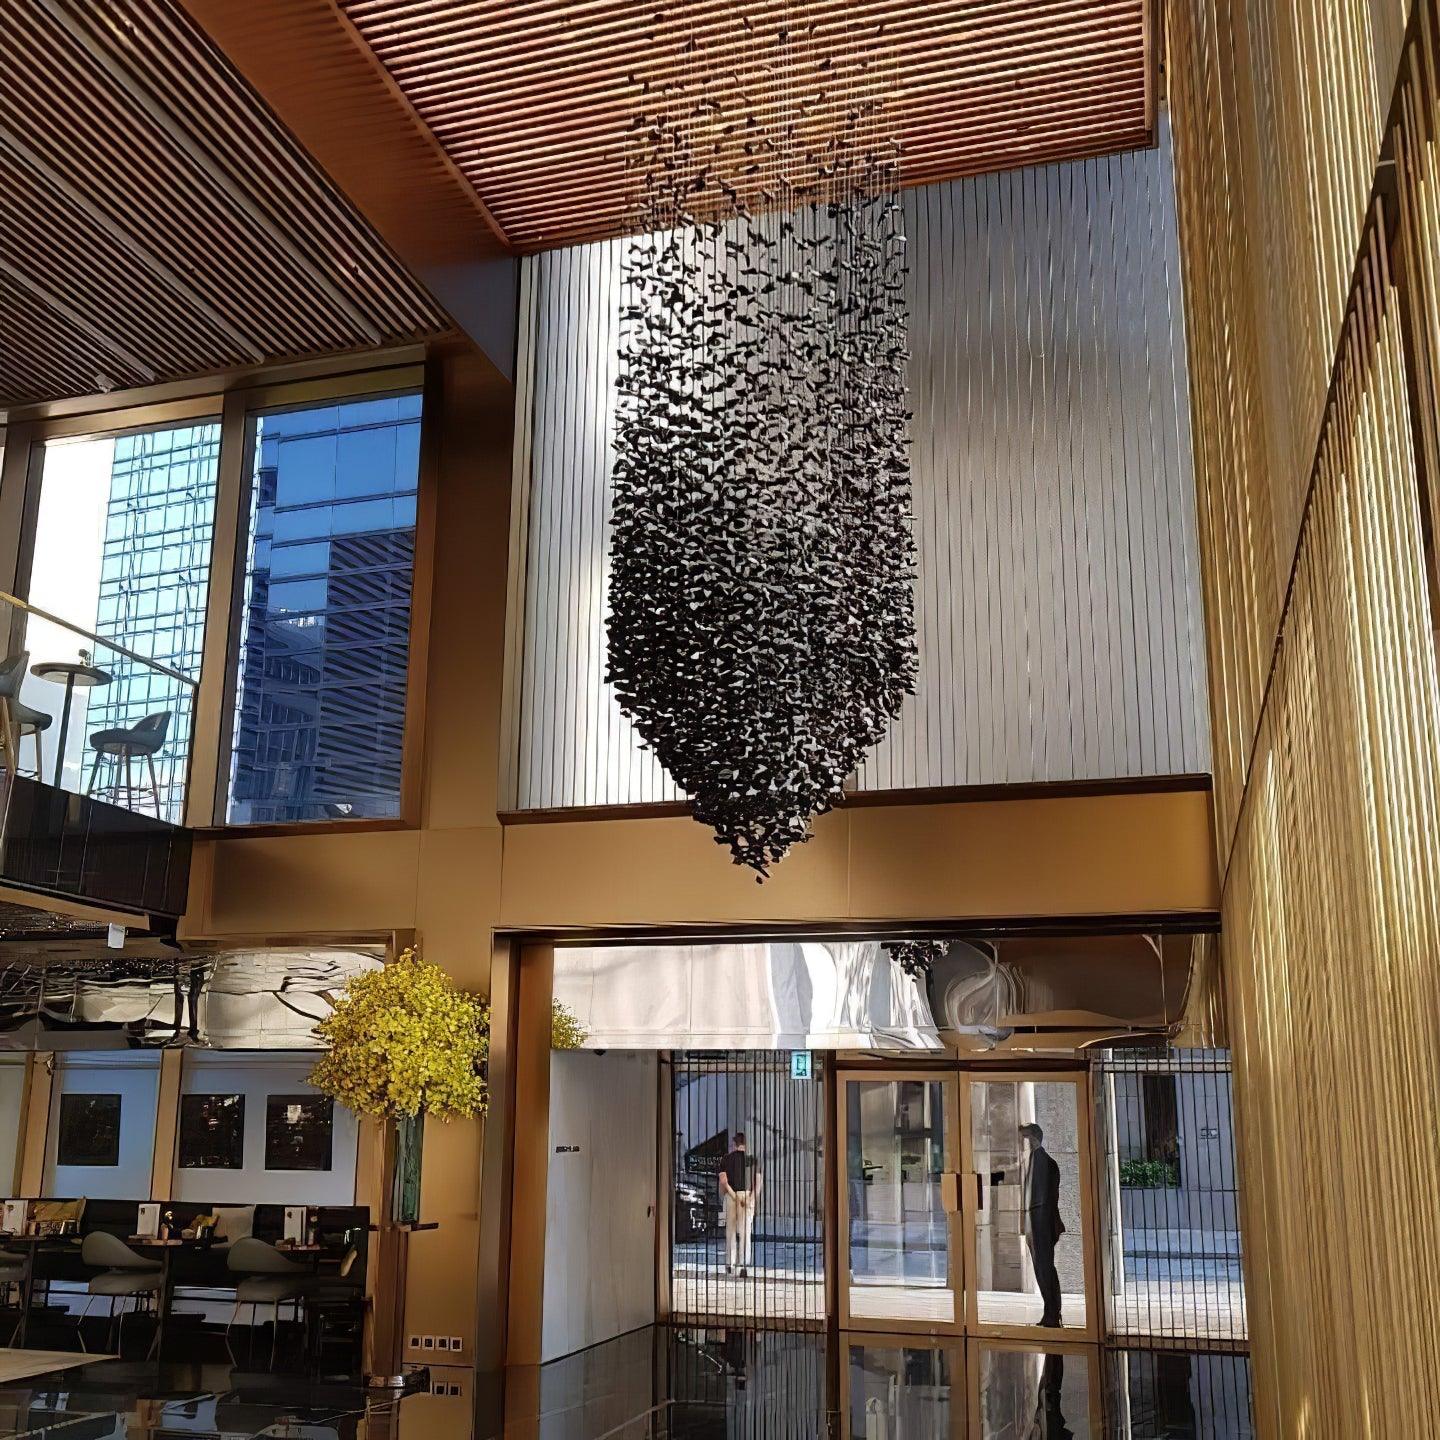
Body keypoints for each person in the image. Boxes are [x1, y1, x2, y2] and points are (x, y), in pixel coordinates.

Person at [991, 1121, 1065, 1326]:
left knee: (1045, 1269)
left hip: (1040, 1225)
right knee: (1043, 1269)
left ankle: (1053, 1313)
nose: (1021, 1143)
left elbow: (1040, 1199)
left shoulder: (1041, 1161)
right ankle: (1051, 1313)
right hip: (1036, 1224)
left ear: (1032, 1139)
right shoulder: (1034, 1160)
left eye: (1024, 1138)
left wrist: (1032, 1224)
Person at [719, 1131, 762, 1275]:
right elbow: (757, 1183)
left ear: (734, 1144)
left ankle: (730, 1264)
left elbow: (723, 1181)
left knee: (730, 1231)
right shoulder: (753, 1160)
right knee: (745, 1233)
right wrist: (750, 1198)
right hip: (747, 1195)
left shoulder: (726, 1159)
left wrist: (733, 1195)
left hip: (731, 1196)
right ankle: (744, 1265)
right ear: (745, 1144)